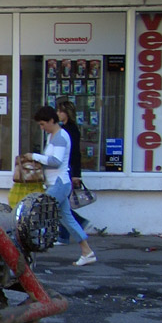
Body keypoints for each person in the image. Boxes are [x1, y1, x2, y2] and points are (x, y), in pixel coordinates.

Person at [24, 106, 95, 266]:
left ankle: (26, 251)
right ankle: (87, 251)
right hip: (57, 183)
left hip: (59, 183)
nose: (42, 128)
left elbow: (56, 161)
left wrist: (34, 156)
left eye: (43, 124)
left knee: (38, 212)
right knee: (67, 219)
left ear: (51, 121)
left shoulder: (60, 137)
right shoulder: (54, 136)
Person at [55, 99, 90, 242]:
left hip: (68, 170)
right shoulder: (66, 128)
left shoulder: (70, 130)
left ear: (66, 113)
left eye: (60, 111)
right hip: (66, 169)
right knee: (62, 204)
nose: (57, 113)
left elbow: (75, 153)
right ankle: (66, 233)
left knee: (60, 203)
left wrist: (76, 175)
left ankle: (69, 230)